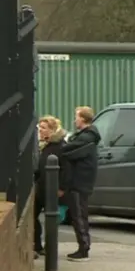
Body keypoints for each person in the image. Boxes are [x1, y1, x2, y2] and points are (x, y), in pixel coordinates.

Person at [61, 106, 101, 262]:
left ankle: (83, 249)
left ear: (83, 119)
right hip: (80, 182)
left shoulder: (85, 139)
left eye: (77, 117)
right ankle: (82, 247)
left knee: (79, 215)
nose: (74, 120)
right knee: (78, 215)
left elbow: (67, 151)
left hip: (79, 183)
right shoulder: (86, 137)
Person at [34, 116, 69, 256]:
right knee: (32, 216)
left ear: (52, 130)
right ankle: (37, 245)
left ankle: (50, 250)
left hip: (53, 190)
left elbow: (67, 170)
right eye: (39, 128)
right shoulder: (44, 146)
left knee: (51, 220)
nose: (40, 131)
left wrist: (61, 188)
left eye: (43, 128)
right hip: (41, 188)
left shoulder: (60, 147)